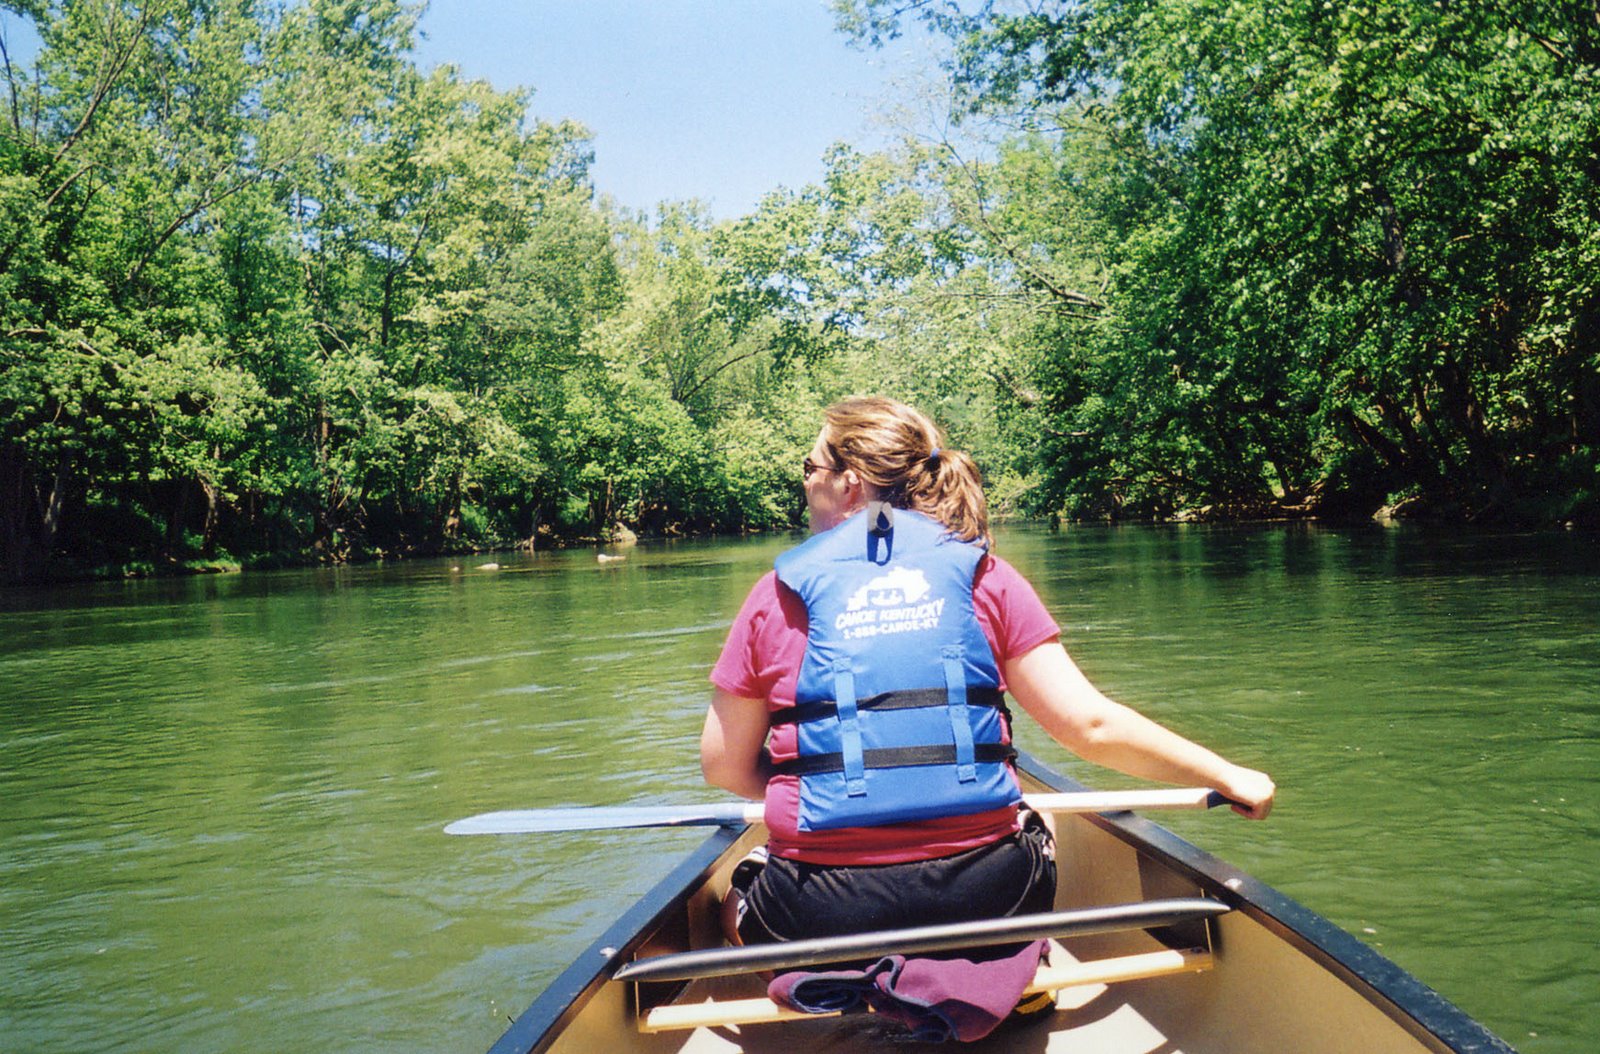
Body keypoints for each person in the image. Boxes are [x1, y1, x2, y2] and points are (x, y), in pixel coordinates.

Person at [701, 396, 1274, 951]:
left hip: (822, 910)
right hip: (988, 894)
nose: (804, 481)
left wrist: (804, 791)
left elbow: (723, 765)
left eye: (810, 467)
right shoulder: (984, 575)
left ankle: (838, 989)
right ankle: (1004, 961)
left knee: (733, 900)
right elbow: (1091, 726)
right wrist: (1225, 773)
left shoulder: (774, 595)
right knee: (1036, 816)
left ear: (849, 483)